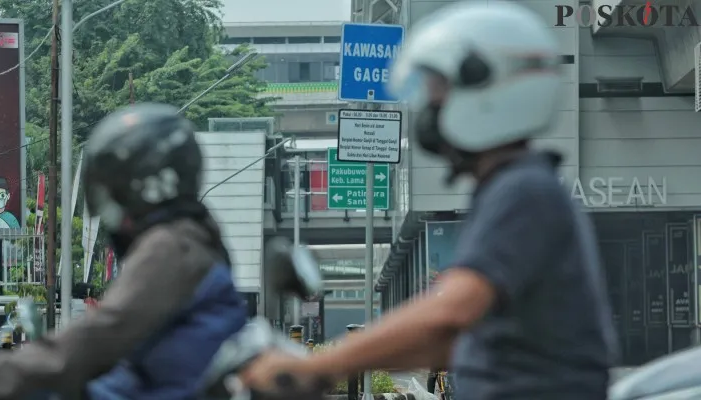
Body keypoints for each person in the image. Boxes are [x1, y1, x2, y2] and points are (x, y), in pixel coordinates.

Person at [240, 2, 619, 399]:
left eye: (439, 92)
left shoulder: (523, 193)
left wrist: (316, 365)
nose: (428, 109)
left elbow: (448, 315)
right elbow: (447, 339)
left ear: (490, 92)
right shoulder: (513, 190)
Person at [0, 103, 247, 399]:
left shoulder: (170, 247)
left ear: (144, 187)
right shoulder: (196, 238)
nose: (113, 216)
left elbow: (100, 336)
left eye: (113, 196)